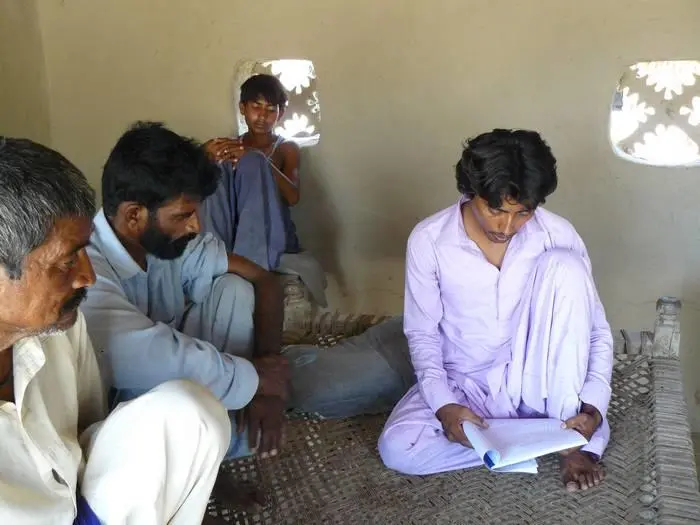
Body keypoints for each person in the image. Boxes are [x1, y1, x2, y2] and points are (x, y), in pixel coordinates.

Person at [81, 121, 414, 466]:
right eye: (182, 215)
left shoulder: (168, 241)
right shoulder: (86, 267)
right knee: (329, 384)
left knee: (235, 288)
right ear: (134, 215)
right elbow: (145, 355)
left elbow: (264, 280)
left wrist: (266, 374)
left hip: (216, 377)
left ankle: (232, 425)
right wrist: (255, 379)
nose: (195, 226)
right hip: (131, 411)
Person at [0, 137, 232, 525]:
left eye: (85, 251)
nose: (87, 276)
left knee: (189, 414)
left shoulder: (62, 328)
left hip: (82, 504)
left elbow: (92, 427)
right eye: (66, 262)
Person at [377, 129, 613, 493]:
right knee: (399, 448)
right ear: (471, 191)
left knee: (565, 266)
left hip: (541, 388)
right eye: (496, 210)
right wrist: (445, 407)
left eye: (523, 213)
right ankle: (546, 443)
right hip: (465, 384)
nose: (506, 227)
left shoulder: (558, 234)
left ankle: (564, 435)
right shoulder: (429, 240)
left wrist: (593, 408)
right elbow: (422, 334)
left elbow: (595, 330)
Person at [201, 73, 327, 307]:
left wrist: (260, 160)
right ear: (242, 108)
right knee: (215, 165)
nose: (262, 116)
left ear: (281, 113)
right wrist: (204, 154)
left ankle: (250, 263)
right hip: (232, 231)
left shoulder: (285, 148)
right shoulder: (231, 146)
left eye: (270, 109)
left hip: (273, 231)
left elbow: (292, 197)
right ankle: (216, 254)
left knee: (253, 162)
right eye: (256, 107)